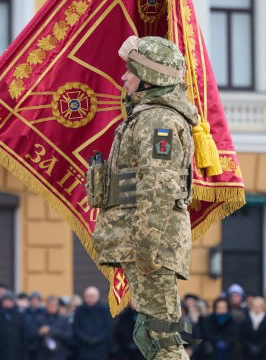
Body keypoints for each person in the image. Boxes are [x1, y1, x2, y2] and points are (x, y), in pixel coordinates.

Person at [90, 35, 197, 360]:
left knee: (162, 338)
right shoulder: (148, 116)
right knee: (156, 334)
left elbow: (158, 186)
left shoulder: (158, 122)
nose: (124, 77)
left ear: (149, 77)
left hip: (151, 247)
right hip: (145, 245)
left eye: (130, 70)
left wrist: (146, 249)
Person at [73, 287, 114, 360]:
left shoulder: (104, 309)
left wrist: (97, 339)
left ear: (97, 297)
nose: (90, 298)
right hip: (83, 348)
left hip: (100, 348)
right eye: (88, 296)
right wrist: (86, 339)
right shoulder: (79, 310)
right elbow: (76, 328)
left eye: (92, 296)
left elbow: (108, 328)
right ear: (84, 297)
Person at [0, 291, 27, 360]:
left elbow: (23, 335)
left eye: (9, 301)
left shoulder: (19, 316)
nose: (7, 303)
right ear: (2, 302)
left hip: (16, 352)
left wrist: (24, 354)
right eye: (5, 301)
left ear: (13, 302)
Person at [32, 296, 72, 360]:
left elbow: (68, 336)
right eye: (49, 306)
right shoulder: (39, 319)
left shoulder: (63, 320)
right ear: (46, 307)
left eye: (53, 306)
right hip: (43, 354)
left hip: (59, 354)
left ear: (57, 307)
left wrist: (51, 330)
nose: (51, 309)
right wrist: (40, 332)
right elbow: (32, 335)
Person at [26, 291, 46, 360]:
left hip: (40, 345)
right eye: (33, 300)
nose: (35, 302)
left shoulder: (44, 312)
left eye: (37, 300)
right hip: (28, 344)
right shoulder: (25, 313)